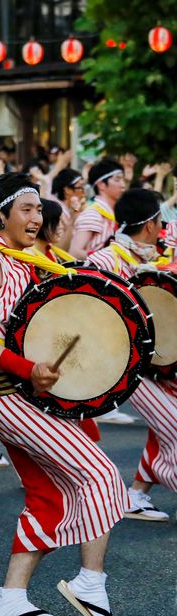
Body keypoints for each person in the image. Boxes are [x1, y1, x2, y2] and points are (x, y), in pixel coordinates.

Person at [0, 172, 125, 616]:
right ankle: (90, 581)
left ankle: (11, 600)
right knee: (102, 477)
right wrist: (28, 369)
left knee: (48, 496)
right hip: (5, 393)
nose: (36, 217)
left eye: (37, 209)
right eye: (25, 209)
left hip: (22, 392)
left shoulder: (23, 260)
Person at [84, 188, 177, 522]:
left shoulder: (154, 255)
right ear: (151, 224)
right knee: (174, 426)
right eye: (159, 221)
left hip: (160, 364)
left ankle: (135, 494)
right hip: (128, 365)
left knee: (164, 427)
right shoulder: (108, 259)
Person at [69, 158, 127, 259]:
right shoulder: (93, 214)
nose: (123, 185)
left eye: (123, 180)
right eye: (117, 179)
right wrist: (108, 260)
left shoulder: (113, 213)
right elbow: (75, 252)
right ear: (101, 185)